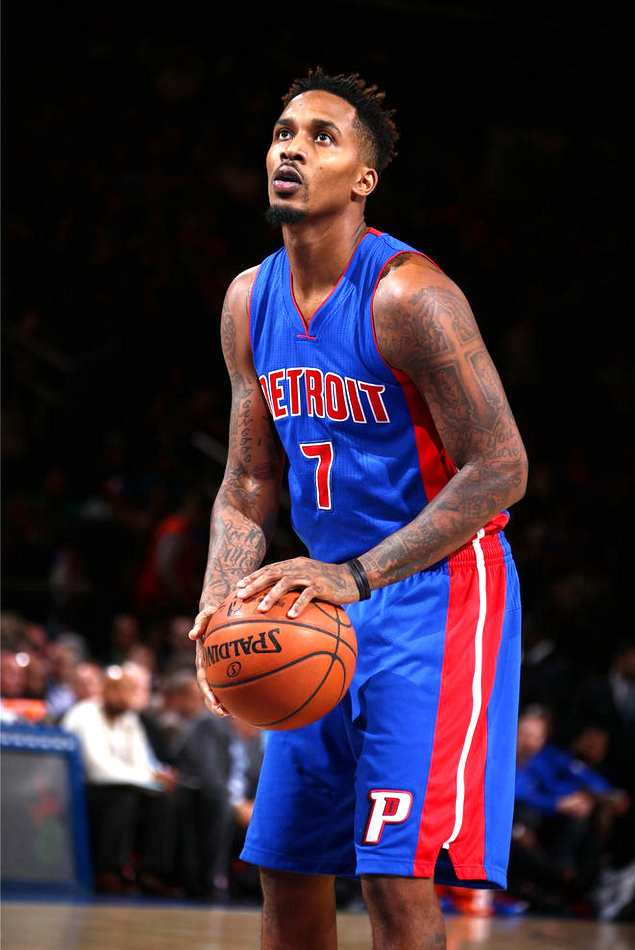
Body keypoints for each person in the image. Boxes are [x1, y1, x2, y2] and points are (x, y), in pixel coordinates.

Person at [188, 69, 528, 950]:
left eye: (321, 137)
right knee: (288, 866)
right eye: (282, 132)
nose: (291, 148)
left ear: (363, 179)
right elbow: (247, 481)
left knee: (392, 875)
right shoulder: (247, 301)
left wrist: (358, 573)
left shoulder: (410, 296)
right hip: (322, 597)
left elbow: (501, 467)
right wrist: (217, 601)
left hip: (437, 595)